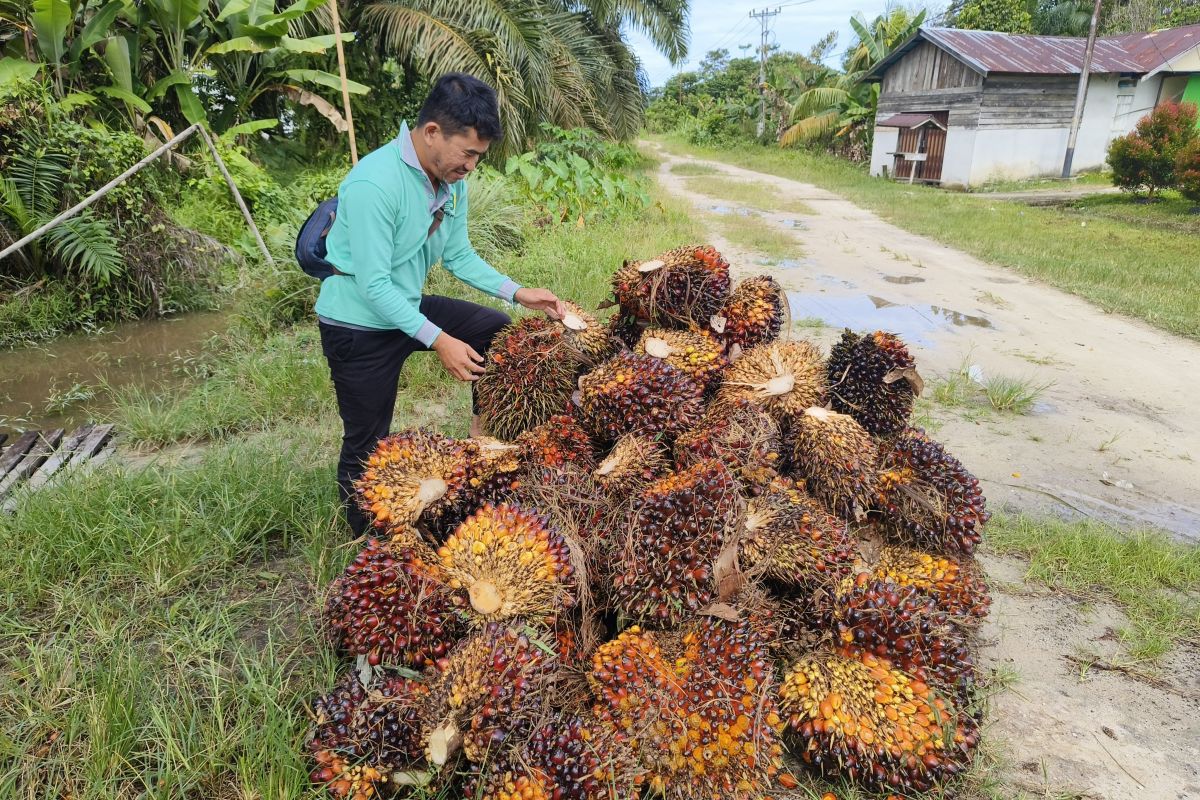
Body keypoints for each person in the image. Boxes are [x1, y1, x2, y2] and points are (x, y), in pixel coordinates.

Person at [315, 73, 565, 535]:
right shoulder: (374, 183)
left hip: (403, 304)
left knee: (495, 327)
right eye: (467, 153)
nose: (471, 166)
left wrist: (517, 291)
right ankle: (367, 541)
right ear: (432, 132)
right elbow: (372, 284)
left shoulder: (450, 179)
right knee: (368, 444)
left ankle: (481, 440)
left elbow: (457, 254)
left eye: (478, 157)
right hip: (357, 323)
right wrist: (439, 339)